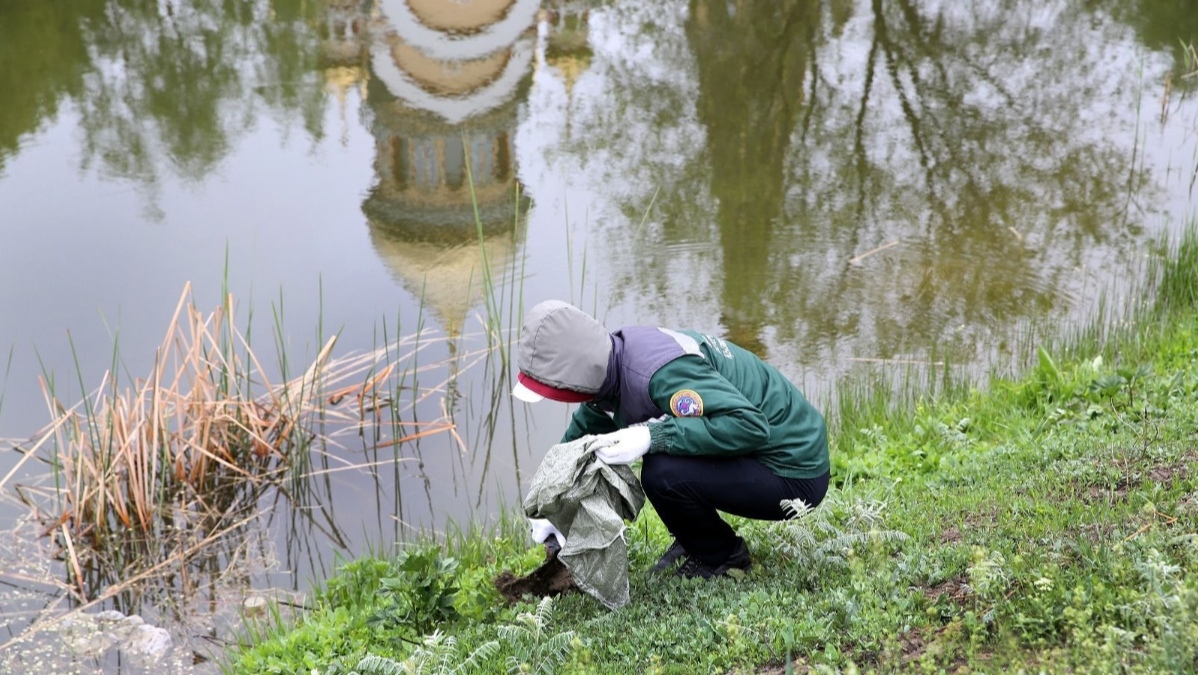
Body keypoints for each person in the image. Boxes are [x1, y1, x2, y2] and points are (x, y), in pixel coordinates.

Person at [512, 300, 830, 579]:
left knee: (663, 472)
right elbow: (577, 445)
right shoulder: (612, 363)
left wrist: (650, 435)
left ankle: (723, 556)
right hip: (766, 453)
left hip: (796, 472)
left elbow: (749, 426)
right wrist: (552, 504)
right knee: (667, 459)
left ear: (572, 378)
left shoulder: (655, 375)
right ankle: (695, 537)